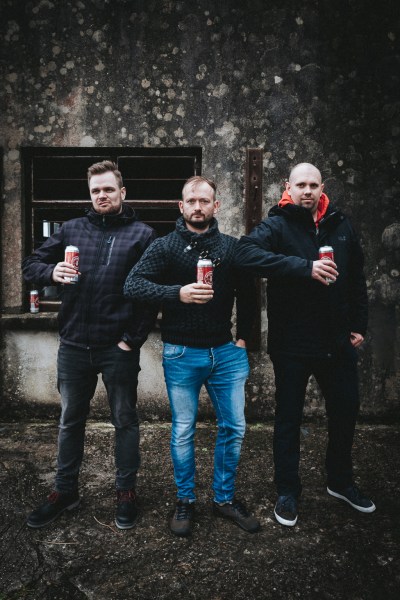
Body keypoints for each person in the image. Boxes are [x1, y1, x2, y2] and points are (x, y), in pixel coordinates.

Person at [234, 162, 376, 526]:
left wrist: (358, 325)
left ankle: (341, 482)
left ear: (322, 187)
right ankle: (287, 491)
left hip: (337, 343)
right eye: (301, 185)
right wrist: (304, 267)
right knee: (288, 420)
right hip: (293, 344)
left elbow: (356, 277)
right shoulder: (277, 224)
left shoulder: (340, 224)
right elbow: (244, 254)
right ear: (288, 187)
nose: (307, 191)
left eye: (314, 184)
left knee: (345, 414)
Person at [22, 160, 157, 530]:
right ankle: (65, 491)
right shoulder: (71, 229)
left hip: (118, 347)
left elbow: (151, 295)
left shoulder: (143, 234)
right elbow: (30, 264)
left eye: (108, 189)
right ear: (90, 194)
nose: (102, 196)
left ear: (122, 192)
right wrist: (51, 272)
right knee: (69, 421)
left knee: (125, 421)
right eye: (96, 190)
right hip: (74, 345)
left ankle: (125, 491)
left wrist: (133, 340)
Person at [124, 175, 260, 536]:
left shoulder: (231, 248)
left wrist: (244, 340)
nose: (198, 206)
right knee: (183, 430)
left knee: (234, 428)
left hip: (226, 353)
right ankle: (185, 500)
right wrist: (176, 293)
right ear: (181, 206)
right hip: (181, 352)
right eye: (191, 200)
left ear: (216, 206)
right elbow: (133, 284)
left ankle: (224, 499)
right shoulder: (165, 247)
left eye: (205, 200)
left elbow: (249, 296)